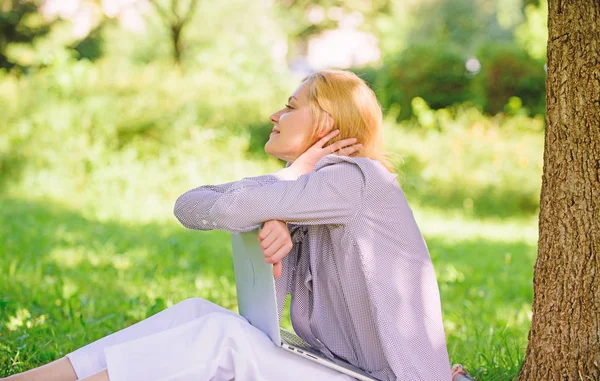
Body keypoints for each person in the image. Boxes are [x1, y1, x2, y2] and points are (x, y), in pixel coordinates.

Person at [4, 70, 461, 381]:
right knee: (199, 313)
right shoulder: (310, 196)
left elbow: (226, 210)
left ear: (326, 122)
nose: (274, 116)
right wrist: (278, 206)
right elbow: (190, 206)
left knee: (224, 339)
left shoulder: (354, 180)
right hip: (338, 368)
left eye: (290, 106)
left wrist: (285, 184)